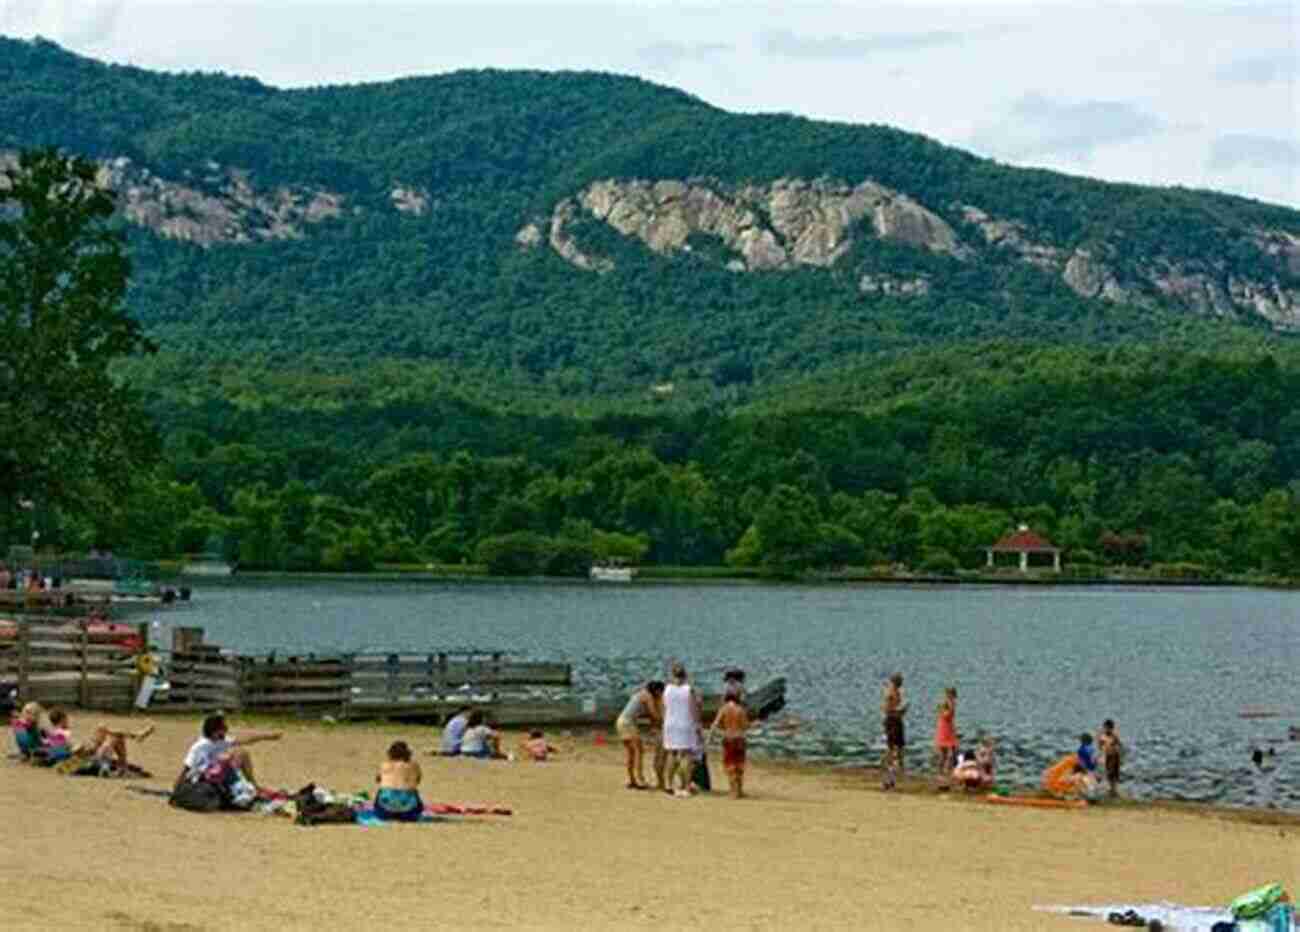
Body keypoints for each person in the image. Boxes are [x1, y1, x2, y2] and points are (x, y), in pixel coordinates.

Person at [178, 714, 282, 789]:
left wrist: (268, 736)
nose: (226, 730)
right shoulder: (200, 746)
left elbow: (245, 740)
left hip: (215, 774)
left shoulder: (220, 741)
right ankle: (252, 786)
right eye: (223, 728)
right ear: (215, 732)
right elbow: (187, 768)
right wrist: (178, 786)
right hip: (203, 778)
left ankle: (252, 785)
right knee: (230, 756)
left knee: (241, 753)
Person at [615, 680, 664, 789]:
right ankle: (640, 780)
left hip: (621, 722)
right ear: (657, 691)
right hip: (628, 723)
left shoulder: (641, 693)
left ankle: (632, 780)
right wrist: (664, 722)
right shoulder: (647, 696)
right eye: (661, 692)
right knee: (639, 751)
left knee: (631, 753)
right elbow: (654, 714)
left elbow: (649, 716)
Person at [662, 662, 699, 797]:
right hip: (685, 723)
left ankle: (668, 784)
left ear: (672, 675)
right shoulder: (689, 690)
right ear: (685, 675)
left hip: (670, 724)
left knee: (671, 754)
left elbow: (664, 707)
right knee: (686, 755)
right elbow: (694, 709)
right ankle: (686, 785)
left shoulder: (667, 689)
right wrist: (698, 726)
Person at [709, 690, 751, 798]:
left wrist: (710, 738)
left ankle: (733, 791)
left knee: (730, 764)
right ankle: (740, 790)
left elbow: (715, 724)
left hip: (729, 738)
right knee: (739, 765)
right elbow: (746, 725)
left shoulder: (724, 709)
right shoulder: (741, 709)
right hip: (740, 738)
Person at [374, 740, 424, 821]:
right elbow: (418, 780)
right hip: (409, 809)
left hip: (385, 807)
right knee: (414, 791)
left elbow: (378, 780)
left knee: (382, 791)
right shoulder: (414, 765)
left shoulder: (384, 765)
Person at [880, 673, 908, 790]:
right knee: (892, 750)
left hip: (896, 721)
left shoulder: (896, 693)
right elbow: (885, 708)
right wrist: (898, 711)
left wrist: (901, 711)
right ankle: (888, 777)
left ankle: (893, 776)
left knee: (899, 749)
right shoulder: (890, 693)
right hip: (892, 721)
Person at [933, 686, 958, 791]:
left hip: (948, 728)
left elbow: (949, 716)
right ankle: (941, 772)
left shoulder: (951, 703)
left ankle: (948, 771)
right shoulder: (945, 703)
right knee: (944, 753)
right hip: (944, 729)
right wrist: (948, 708)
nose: (951, 697)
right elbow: (945, 715)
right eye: (950, 695)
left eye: (952, 695)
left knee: (952, 752)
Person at [1097, 719, 1124, 798]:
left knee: (1115, 774)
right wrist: (1103, 750)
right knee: (1109, 773)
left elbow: (1120, 745)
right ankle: (1111, 791)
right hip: (1108, 756)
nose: (1107, 729)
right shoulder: (1102, 736)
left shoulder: (1114, 736)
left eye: (1109, 728)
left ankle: (1113, 791)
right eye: (1106, 727)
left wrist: (1115, 747)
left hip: (1115, 756)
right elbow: (1100, 746)